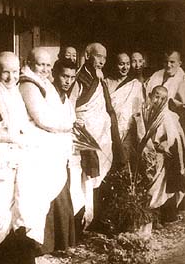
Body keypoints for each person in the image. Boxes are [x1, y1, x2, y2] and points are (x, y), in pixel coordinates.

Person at [0, 51, 39, 264]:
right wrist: (11, 137)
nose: (11, 78)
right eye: (5, 72)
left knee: (17, 213)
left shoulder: (14, 92)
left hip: (17, 159)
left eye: (15, 72)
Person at [19, 47, 76, 256]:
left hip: (49, 143)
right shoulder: (28, 83)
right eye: (40, 64)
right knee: (41, 193)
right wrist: (67, 125)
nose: (44, 69)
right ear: (30, 63)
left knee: (58, 185)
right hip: (33, 144)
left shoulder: (44, 84)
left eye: (47, 65)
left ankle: (57, 242)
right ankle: (40, 243)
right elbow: (42, 119)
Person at [124, 86, 185, 223]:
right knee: (144, 185)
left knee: (159, 187)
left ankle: (159, 215)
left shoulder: (167, 116)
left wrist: (164, 145)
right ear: (150, 95)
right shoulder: (141, 113)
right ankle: (145, 215)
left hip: (160, 156)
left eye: (163, 99)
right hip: (143, 153)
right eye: (156, 96)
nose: (158, 101)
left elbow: (174, 137)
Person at [69, 42, 113, 231]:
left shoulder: (98, 77)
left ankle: (95, 220)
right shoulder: (80, 78)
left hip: (101, 134)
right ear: (88, 55)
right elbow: (71, 105)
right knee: (83, 179)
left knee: (98, 177)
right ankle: (82, 222)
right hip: (85, 134)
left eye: (104, 57)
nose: (101, 61)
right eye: (98, 56)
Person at [145, 50, 185, 211]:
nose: (169, 65)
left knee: (172, 164)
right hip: (154, 122)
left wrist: (176, 105)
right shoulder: (156, 77)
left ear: (180, 63)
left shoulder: (184, 82)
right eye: (166, 62)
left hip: (175, 127)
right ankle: (152, 206)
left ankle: (168, 208)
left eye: (172, 62)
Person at [105, 52, 144, 140]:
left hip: (128, 128)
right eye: (121, 64)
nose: (125, 68)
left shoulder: (135, 84)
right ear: (115, 64)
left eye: (127, 64)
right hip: (109, 125)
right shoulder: (106, 82)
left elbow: (139, 110)